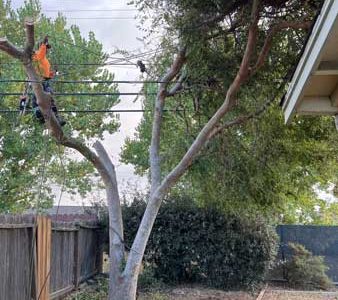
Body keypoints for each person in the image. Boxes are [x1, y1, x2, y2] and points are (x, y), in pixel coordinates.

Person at [32, 36, 66, 126]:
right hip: (40, 80)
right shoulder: (37, 55)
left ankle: (55, 117)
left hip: (45, 80)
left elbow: (46, 71)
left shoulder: (44, 59)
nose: (47, 50)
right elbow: (41, 53)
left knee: (48, 97)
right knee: (38, 97)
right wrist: (44, 42)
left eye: (47, 48)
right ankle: (39, 115)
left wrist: (52, 73)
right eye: (46, 48)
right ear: (41, 48)